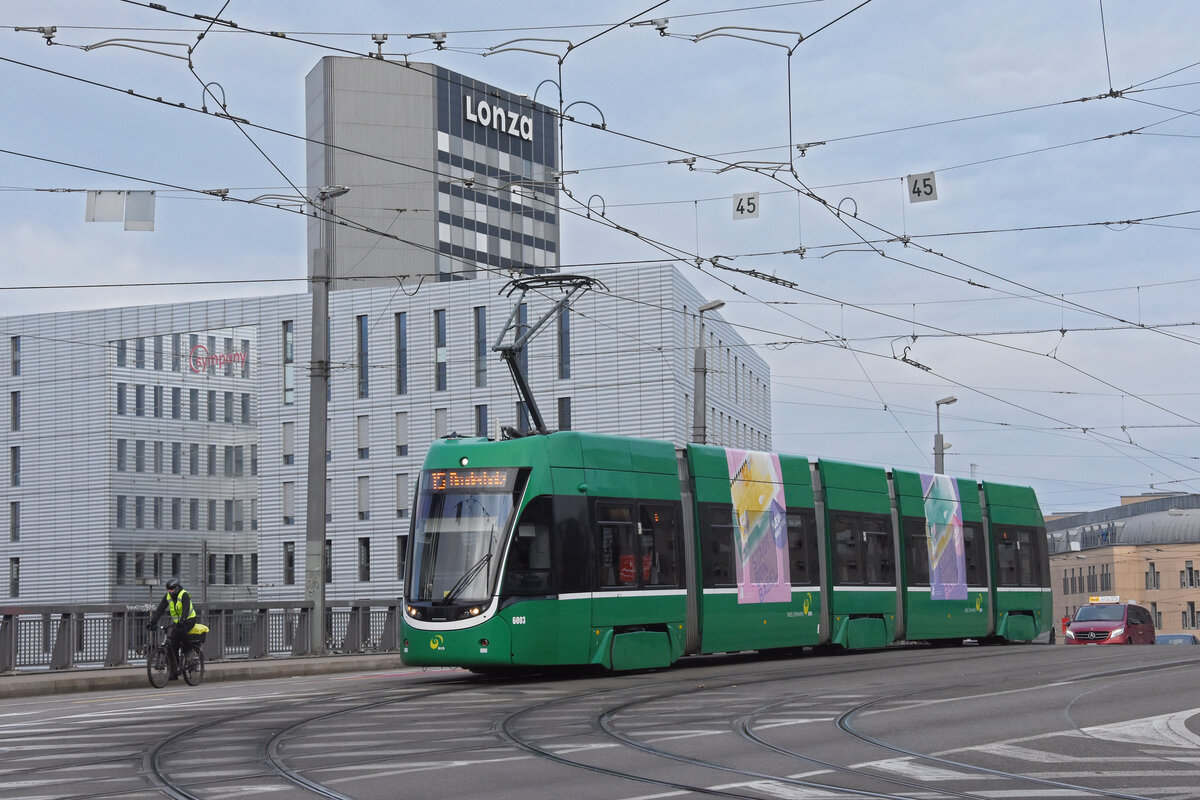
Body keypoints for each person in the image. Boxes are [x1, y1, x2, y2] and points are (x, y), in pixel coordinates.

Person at [147, 577, 198, 679]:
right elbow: (160, 609)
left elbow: (186, 609)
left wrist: (183, 619)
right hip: (177, 623)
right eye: (168, 590)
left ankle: (189, 653)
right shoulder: (168, 597)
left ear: (177, 588)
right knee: (172, 645)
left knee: (181, 634)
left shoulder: (184, 595)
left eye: (171, 589)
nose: (170, 591)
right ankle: (175, 671)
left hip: (189, 620)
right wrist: (152, 622)